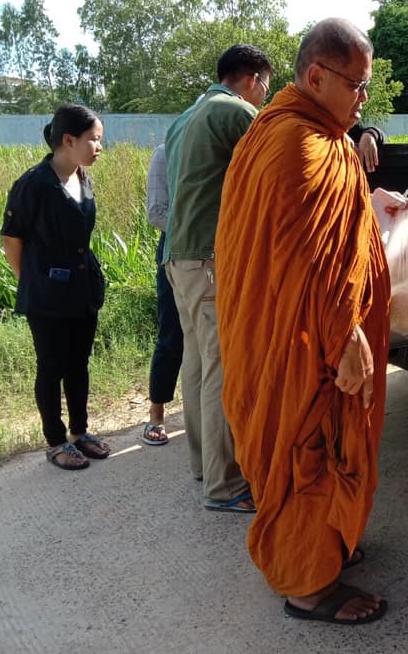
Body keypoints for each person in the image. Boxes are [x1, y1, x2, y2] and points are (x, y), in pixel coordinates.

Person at [215, 18, 391, 624]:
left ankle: (330, 539)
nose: (362, 99)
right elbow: (306, 263)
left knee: (329, 449)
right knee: (307, 449)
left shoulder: (323, 137)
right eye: (356, 86)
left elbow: (336, 231)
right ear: (316, 75)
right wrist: (345, 338)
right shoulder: (293, 143)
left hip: (313, 330)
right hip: (302, 344)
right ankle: (307, 587)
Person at [163, 44, 272, 511]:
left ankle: (202, 465)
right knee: (221, 367)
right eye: (266, 86)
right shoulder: (234, 111)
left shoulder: (185, 117)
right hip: (209, 260)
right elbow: (280, 155)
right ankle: (225, 486)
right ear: (252, 79)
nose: (265, 97)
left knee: (196, 360)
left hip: (178, 257)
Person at [1, 104, 110, 470]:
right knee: (51, 367)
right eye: (94, 140)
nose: (99, 147)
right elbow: (11, 240)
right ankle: (55, 442)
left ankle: (80, 433)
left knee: (78, 363)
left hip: (81, 289)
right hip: (46, 295)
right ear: (68, 140)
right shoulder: (34, 184)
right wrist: (31, 282)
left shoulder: (82, 176)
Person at [142, 142, 181, 445]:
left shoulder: (218, 147)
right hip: (177, 252)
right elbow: (157, 212)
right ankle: (156, 414)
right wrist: (198, 233)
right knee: (172, 334)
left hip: (220, 252)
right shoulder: (166, 152)